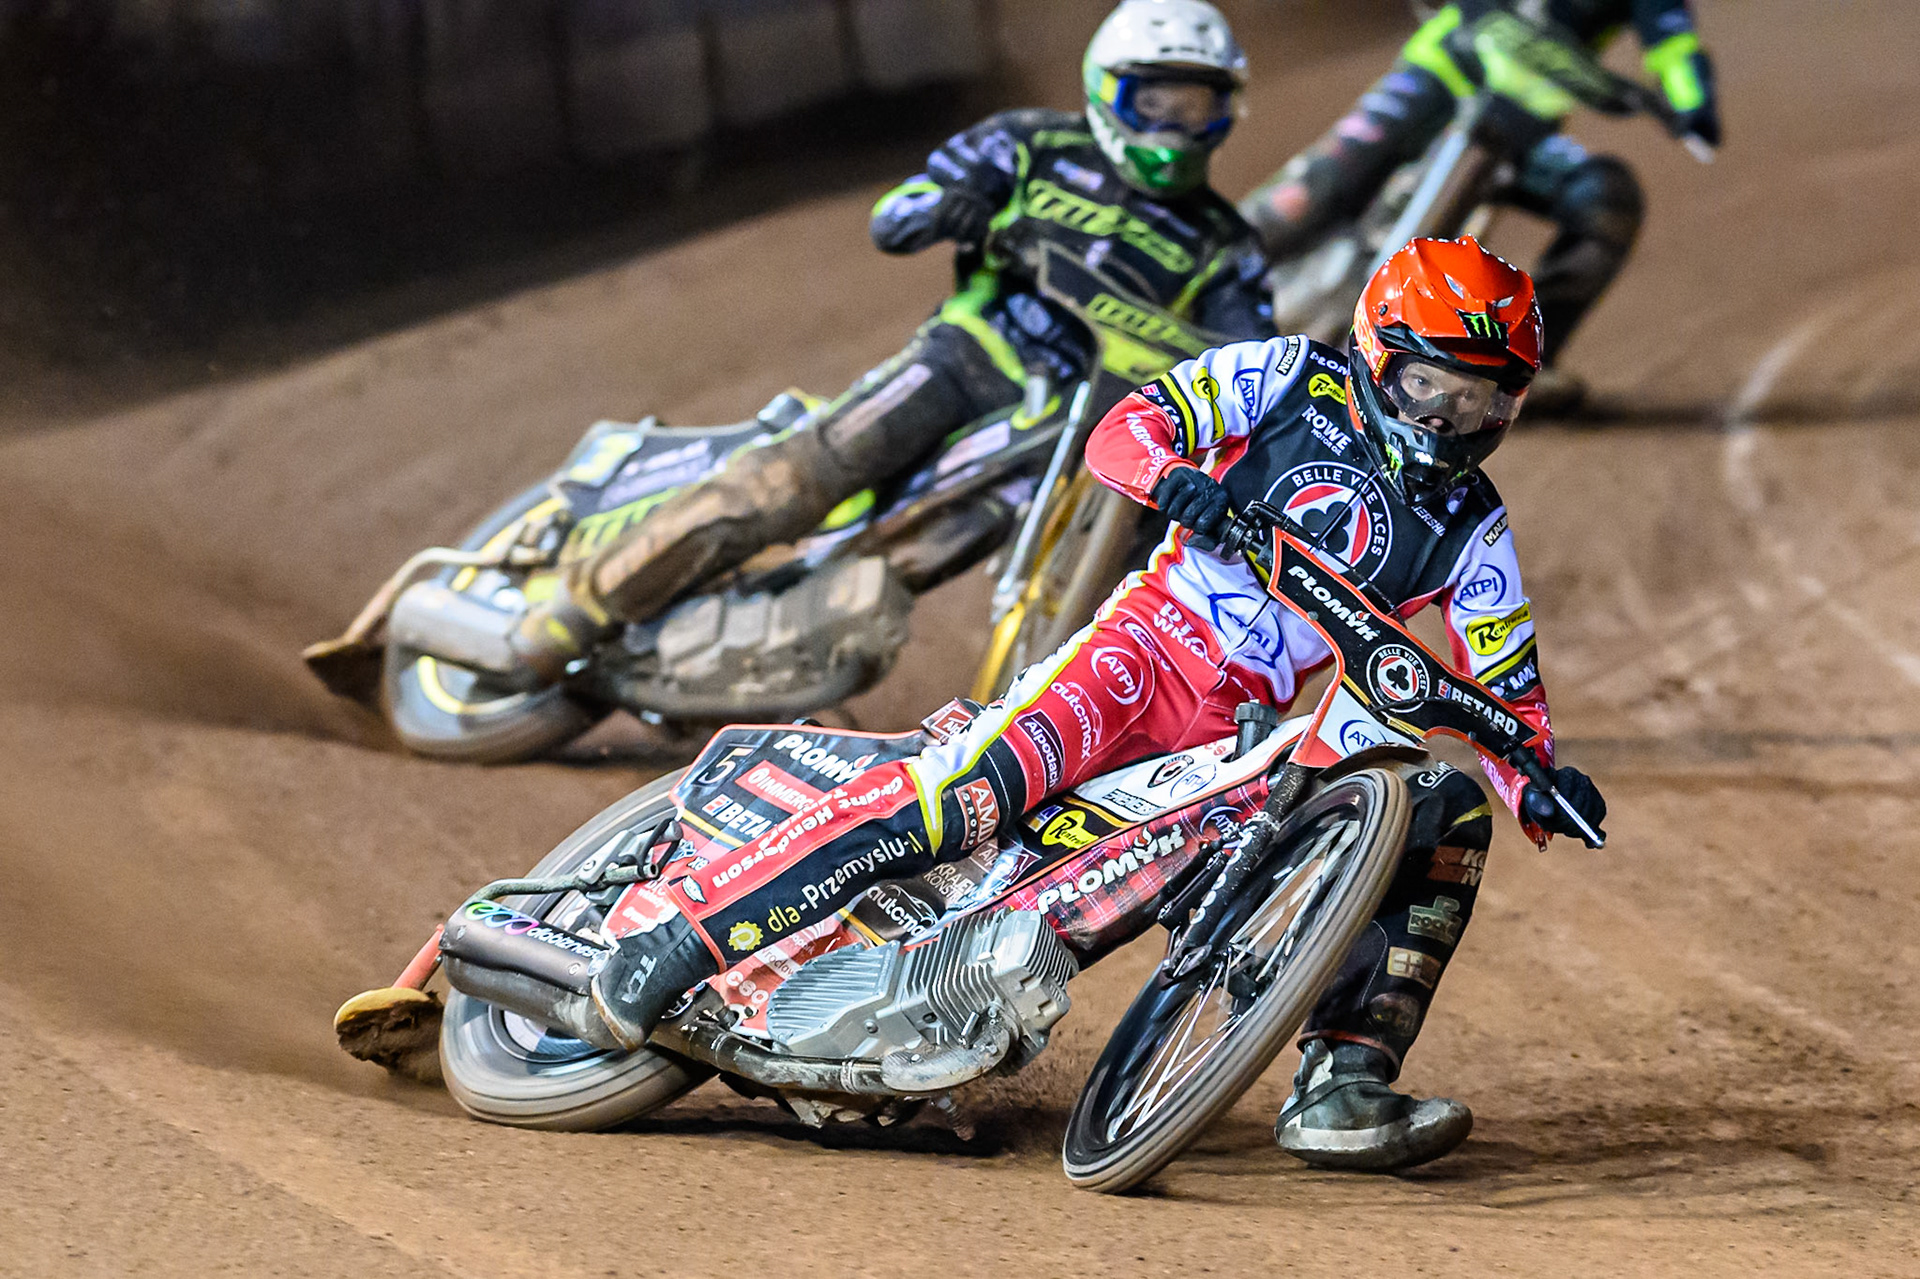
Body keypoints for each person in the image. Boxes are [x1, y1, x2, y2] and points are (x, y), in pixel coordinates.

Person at [577, 236, 1607, 1173]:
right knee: (956, 805)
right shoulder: (1290, 377)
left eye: (1479, 403)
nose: (1447, 421)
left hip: (1242, 734)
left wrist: (1540, 781)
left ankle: (1343, 1081)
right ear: (1378, 353)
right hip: (1136, 657)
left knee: (1435, 808)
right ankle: (679, 943)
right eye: (1430, 385)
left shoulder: (1476, 528)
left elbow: (1507, 689)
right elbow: (1127, 428)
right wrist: (1176, 479)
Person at [507, 0, 1274, 682]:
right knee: (799, 482)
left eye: (1194, 105)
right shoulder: (1031, 145)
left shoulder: (1224, 244)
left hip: (1074, 426)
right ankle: (577, 609)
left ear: (1225, 111)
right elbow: (900, 209)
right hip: (973, 357)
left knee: (914, 562)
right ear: (1111, 91)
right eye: (1156, 102)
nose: (1173, 127)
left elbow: (1252, 353)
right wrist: (955, 207)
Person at [1240, 0, 1720, 409]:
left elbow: (1673, 46)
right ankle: (1187, 260)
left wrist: (1693, 104)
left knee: (1605, 199)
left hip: (1523, 128)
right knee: (1313, 193)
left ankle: (1521, 366)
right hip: (1437, 80)